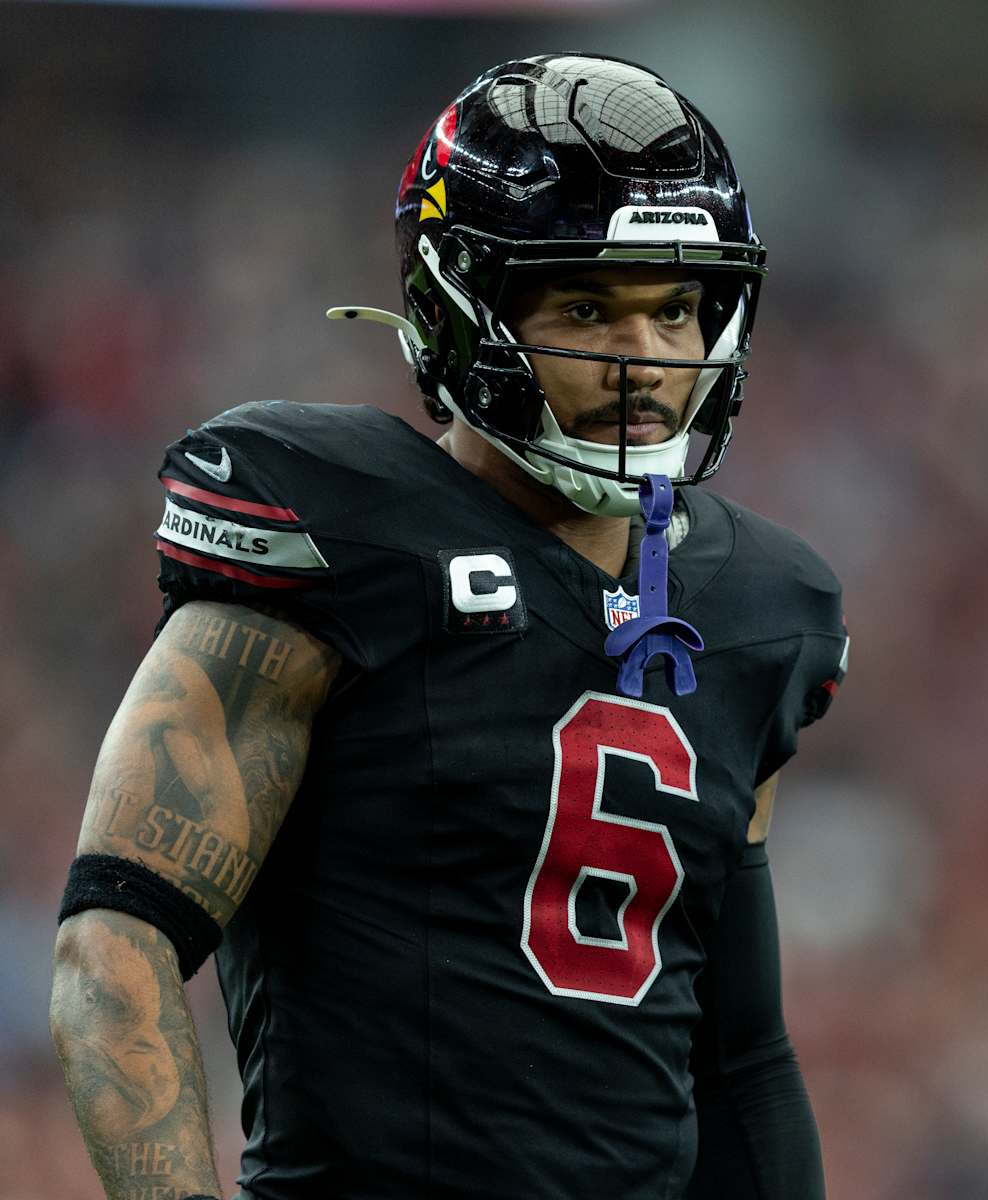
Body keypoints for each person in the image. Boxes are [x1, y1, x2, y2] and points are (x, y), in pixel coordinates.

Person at [47, 54, 847, 1200]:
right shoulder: (343, 533)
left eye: (677, 308)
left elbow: (741, 1062)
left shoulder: (760, 609)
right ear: (457, 306)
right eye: (587, 307)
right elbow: (114, 950)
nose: (649, 359)